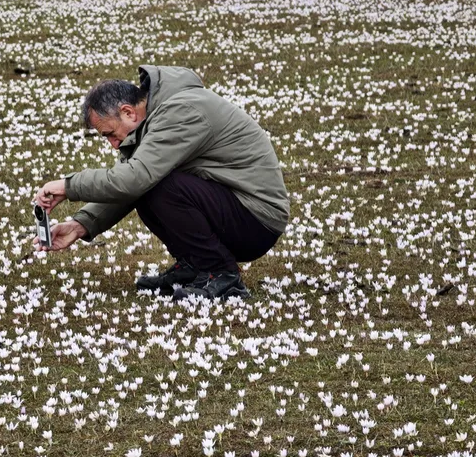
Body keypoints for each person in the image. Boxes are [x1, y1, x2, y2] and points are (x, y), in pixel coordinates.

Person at [33, 65, 290, 300]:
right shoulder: (156, 117)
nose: (113, 144)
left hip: (256, 220)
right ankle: (194, 265)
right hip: (236, 210)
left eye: (110, 134)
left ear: (128, 112)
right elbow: (130, 183)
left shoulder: (181, 111)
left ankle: (220, 273)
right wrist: (80, 225)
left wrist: (68, 186)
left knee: (159, 186)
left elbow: (133, 179)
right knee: (150, 183)